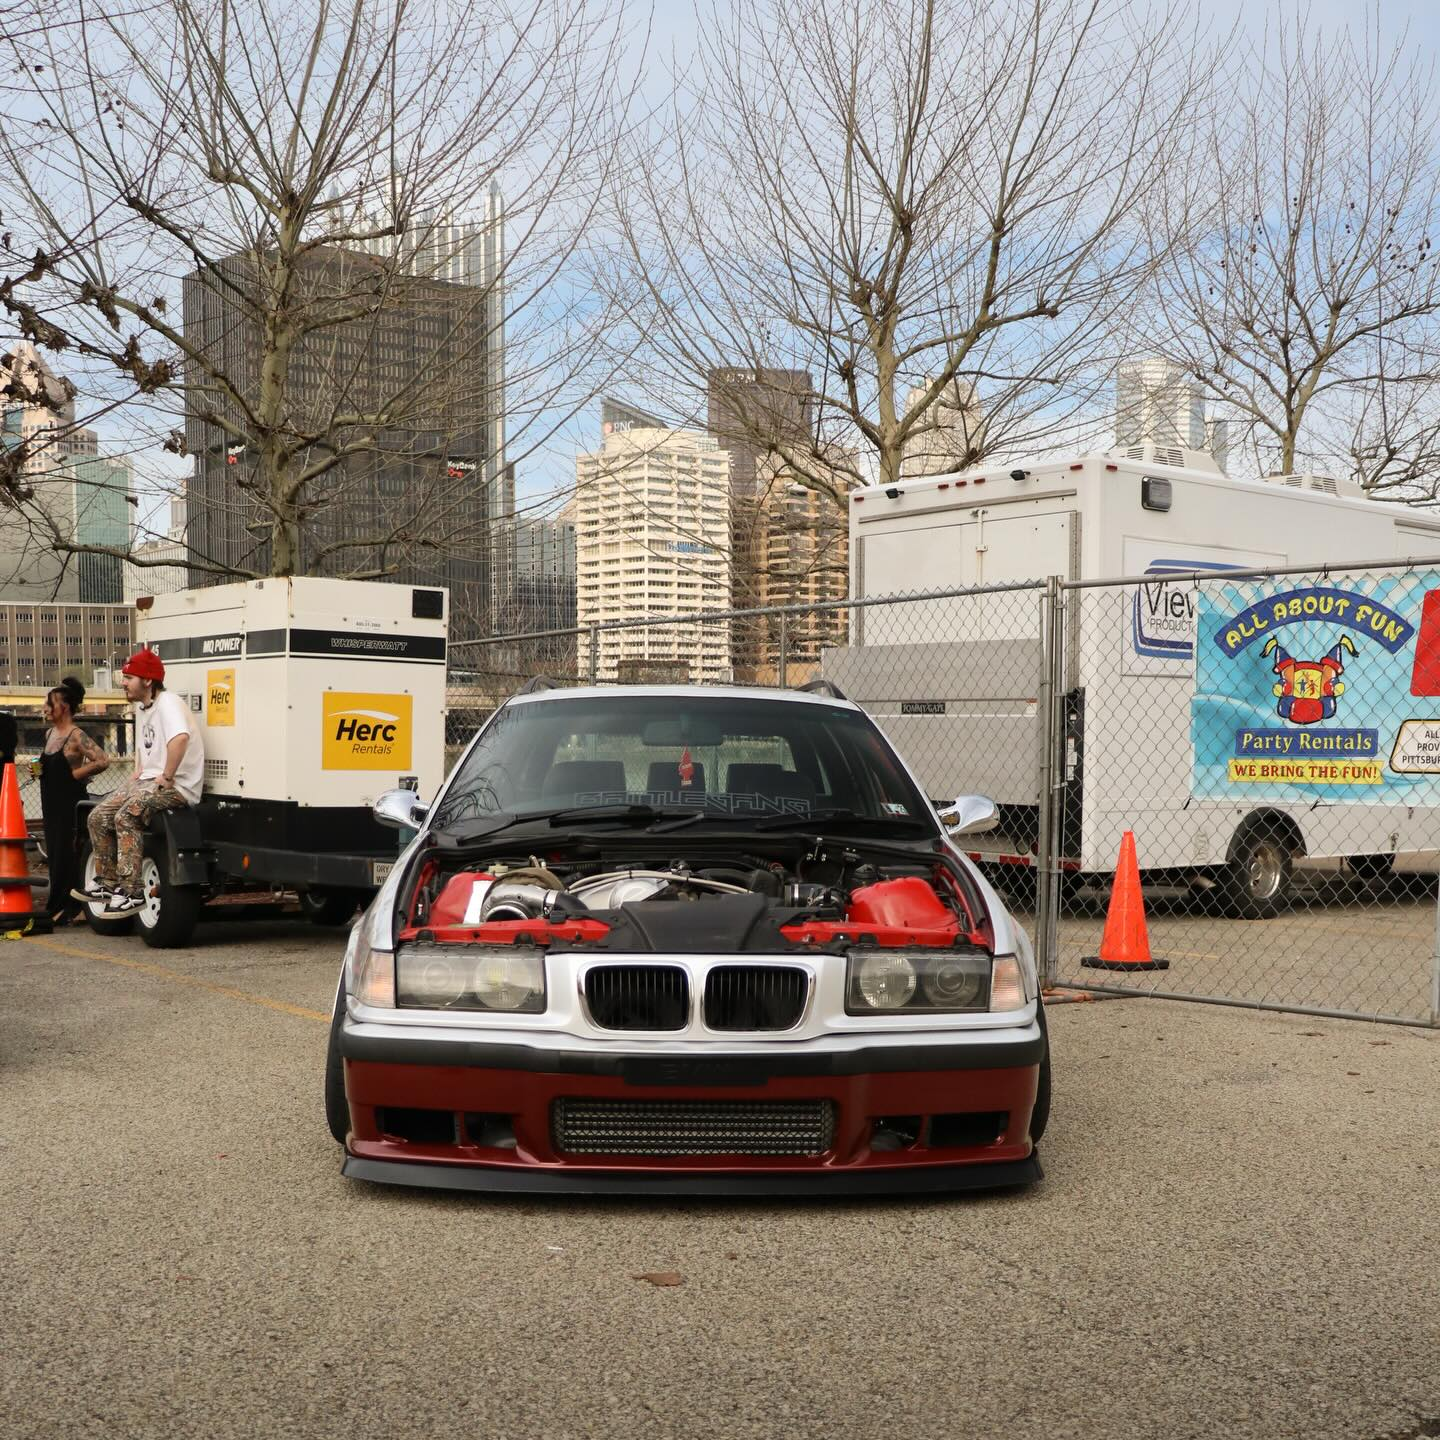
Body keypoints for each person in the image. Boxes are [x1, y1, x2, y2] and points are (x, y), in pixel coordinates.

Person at [74, 649, 204, 917]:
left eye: (128, 677)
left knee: (127, 816)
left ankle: (132, 891)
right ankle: (107, 884)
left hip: (178, 787)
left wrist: (167, 776)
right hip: (147, 780)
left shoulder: (168, 702)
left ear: (148, 680)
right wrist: (139, 771)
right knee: (97, 816)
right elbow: (148, 744)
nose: (123, 682)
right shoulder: (143, 706)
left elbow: (180, 739)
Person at [39, 676, 110, 924]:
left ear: (65, 707)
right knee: (55, 853)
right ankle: (57, 903)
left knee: (68, 853)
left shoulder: (76, 736)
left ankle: (70, 907)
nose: (46, 708)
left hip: (69, 803)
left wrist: (76, 774)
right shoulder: (49, 734)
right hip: (49, 801)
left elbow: (102, 760)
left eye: (50, 703)